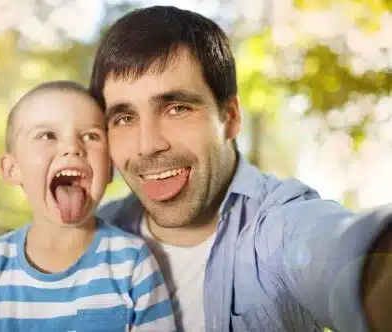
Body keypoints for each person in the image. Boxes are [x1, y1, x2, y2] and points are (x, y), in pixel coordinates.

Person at [90, 6, 392, 332]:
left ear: (230, 117)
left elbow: (345, 253)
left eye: (177, 108)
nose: (147, 145)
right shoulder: (94, 238)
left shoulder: (278, 224)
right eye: (124, 118)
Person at [0, 81, 176, 332]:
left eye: (91, 136)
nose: (72, 148)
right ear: (13, 169)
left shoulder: (133, 263)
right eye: (47, 135)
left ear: (109, 168)